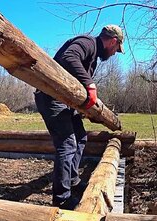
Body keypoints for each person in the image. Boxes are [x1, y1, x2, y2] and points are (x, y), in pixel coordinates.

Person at [34, 25, 124, 210]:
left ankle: (73, 180)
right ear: (113, 41)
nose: (115, 53)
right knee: (67, 144)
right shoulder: (88, 43)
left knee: (80, 137)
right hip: (51, 97)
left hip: (65, 101)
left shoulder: (94, 56)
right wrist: (90, 85)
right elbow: (69, 57)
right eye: (116, 49)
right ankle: (62, 198)